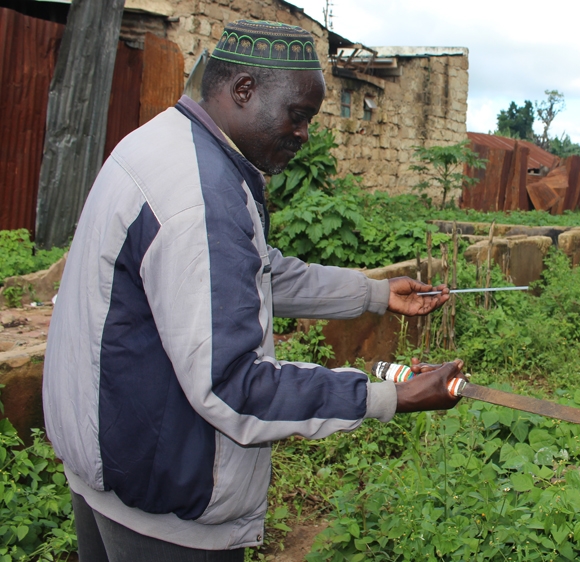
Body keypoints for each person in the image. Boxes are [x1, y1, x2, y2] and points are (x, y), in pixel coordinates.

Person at [42, 20, 466, 562]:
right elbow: (235, 386)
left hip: (108, 461)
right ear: (244, 90)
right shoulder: (201, 197)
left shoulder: (162, 144)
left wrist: (374, 294)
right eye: (298, 116)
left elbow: (252, 271)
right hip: (166, 511)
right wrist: (391, 396)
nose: (304, 135)